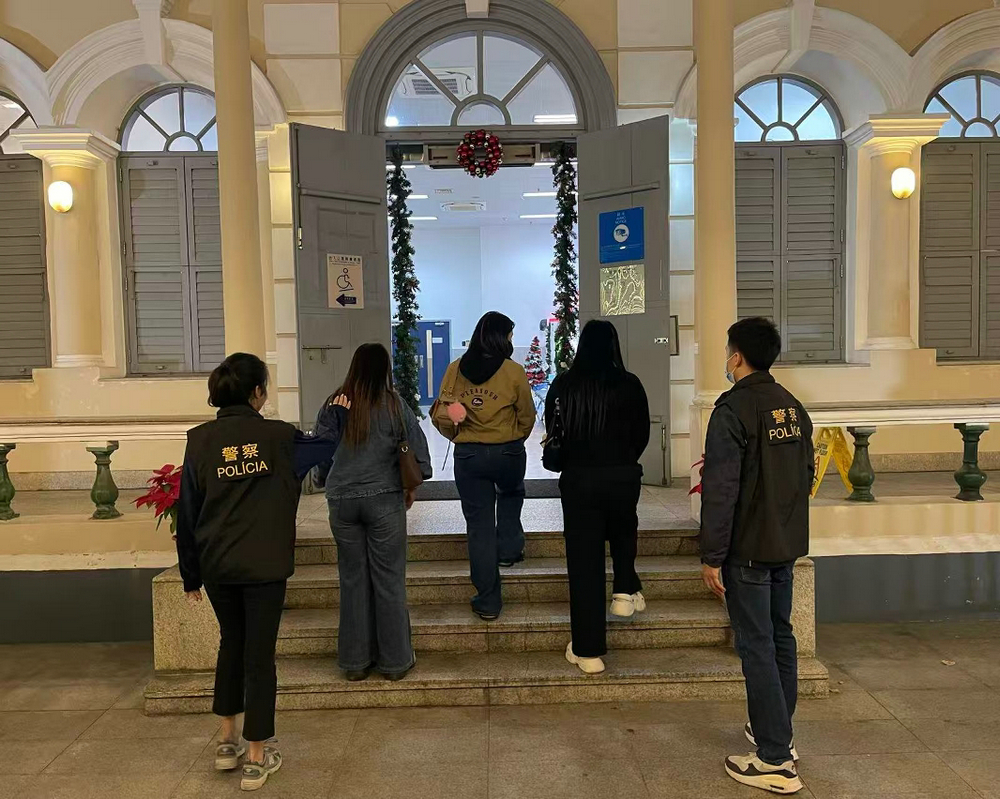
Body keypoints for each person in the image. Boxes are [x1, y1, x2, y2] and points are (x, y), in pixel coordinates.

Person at [175, 353, 349, 792]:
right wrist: (337, 412)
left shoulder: (199, 441)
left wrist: (190, 575)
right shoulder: (279, 438)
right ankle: (256, 757)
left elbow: (188, 510)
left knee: (231, 644)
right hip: (264, 566)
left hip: (217, 565)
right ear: (257, 392)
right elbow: (324, 445)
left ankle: (226, 741)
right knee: (259, 656)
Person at [699, 317, 814, 795]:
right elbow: (806, 474)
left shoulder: (733, 410)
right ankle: (779, 734)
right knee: (780, 637)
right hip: (783, 545)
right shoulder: (792, 407)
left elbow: (720, 490)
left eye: (728, 350)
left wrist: (712, 555)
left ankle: (774, 760)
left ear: (737, 356)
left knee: (758, 646)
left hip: (747, 550)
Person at [313, 343, 431, 681]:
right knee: (389, 580)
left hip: (342, 501)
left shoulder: (334, 403)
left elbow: (321, 453)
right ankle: (395, 663)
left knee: (352, 580)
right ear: (384, 370)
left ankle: (355, 663)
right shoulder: (394, 404)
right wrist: (412, 484)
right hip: (384, 500)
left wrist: (326, 479)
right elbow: (418, 453)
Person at [543, 320, 649, 675]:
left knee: (584, 563)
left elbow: (552, 428)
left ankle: (588, 652)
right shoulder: (630, 384)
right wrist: (621, 460)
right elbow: (642, 434)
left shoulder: (563, 384)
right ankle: (624, 590)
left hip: (579, 480)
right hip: (622, 476)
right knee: (624, 529)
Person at [432, 311, 535, 620]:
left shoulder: (456, 369)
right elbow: (527, 415)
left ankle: (489, 600)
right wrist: (514, 439)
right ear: (500, 338)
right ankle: (509, 550)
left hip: (470, 456)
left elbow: (444, 412)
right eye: (509, 335)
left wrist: (459, 433)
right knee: (512, 493)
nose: (511, 341)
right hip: (507, 452)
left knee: (479, 526)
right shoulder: (513, 371)